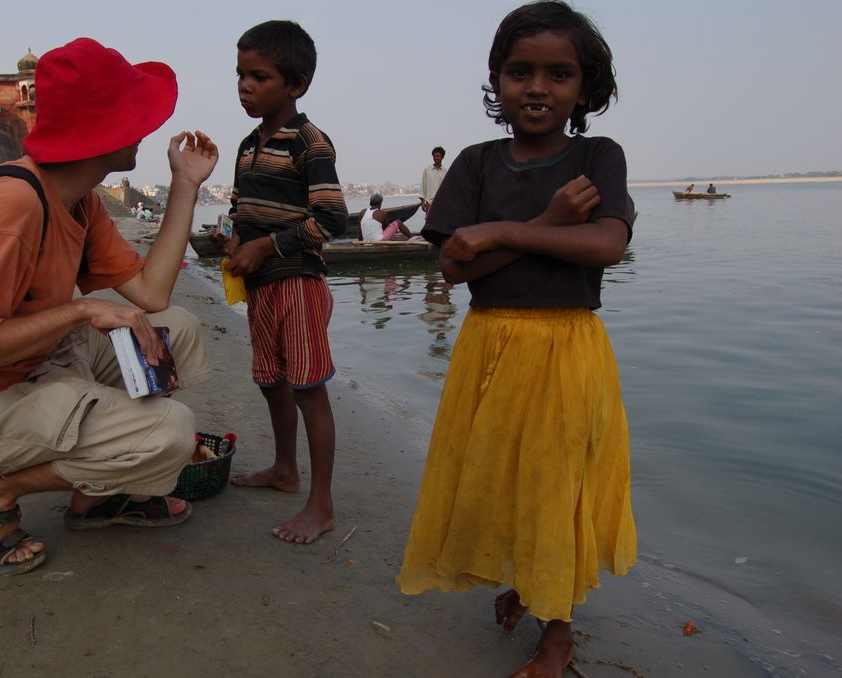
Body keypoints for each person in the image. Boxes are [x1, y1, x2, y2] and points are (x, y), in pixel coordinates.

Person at [0, 37, 219, 575]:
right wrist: (80, 311)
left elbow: (152, 295)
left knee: (175, 329)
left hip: (33, 369)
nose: (144, 127)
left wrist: (185, 183)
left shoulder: (79, 198)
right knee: (170, 432)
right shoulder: (15, 205)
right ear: (106, 131)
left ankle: (103, 493)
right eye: (133, 116)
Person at [396, 3, 637, 676]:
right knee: (501, 474)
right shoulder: (475, 164)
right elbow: (454, 267)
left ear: (585, 89)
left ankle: (557, 633)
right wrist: (546, 221)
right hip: (489, 344)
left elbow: (607, 243)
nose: (538, 87)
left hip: (567, 347)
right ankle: (525, 578)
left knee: (556, 483)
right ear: (496, 82)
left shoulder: (597, 156)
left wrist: (507, 230)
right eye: (519, 71)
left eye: (559, 74)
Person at [217, 20, 348, 544]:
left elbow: (332, 219)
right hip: (261, 287)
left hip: (297, 283)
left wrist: (266, 246)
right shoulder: (249, 144)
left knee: (309, 387)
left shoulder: (310, 144)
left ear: (295, 85)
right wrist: (232, 238)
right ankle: (284, 470)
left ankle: (322, 505)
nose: (245, 86)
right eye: (241, 75)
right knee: (271, 379)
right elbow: (240, 209)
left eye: (259, 76)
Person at [420, 146, 447, 212]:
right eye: (434, 156)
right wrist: (422, 202)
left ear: (442, 157)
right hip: (429, 202)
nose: (436, 158)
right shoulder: (427, 170)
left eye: (438, 156)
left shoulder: (445, 172)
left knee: (441, 221)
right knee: (429, 221)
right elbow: (423, 186)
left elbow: (447, 189)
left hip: (442, 202)